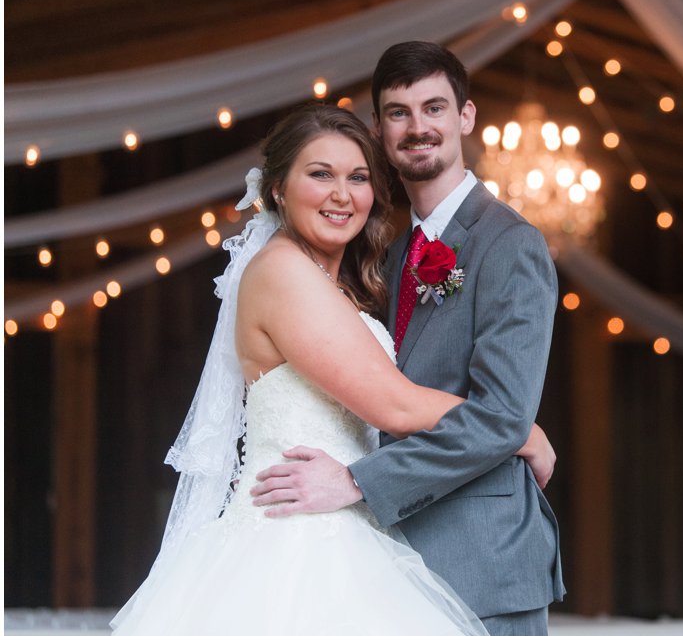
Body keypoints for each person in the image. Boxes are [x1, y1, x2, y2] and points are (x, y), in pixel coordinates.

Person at [110, 104, 555, 635]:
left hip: (349, 527)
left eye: (359, 177)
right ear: (277, 189)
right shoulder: (283, 273)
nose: (342, 194)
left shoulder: (343, 282)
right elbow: (395, 405)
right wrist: (518, 429)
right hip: (297, 545)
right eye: (320, 174)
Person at [250, 42, 565, 635]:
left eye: (434, 108)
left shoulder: (510, 244)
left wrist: (354, 481)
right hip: (386, 559)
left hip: (481, 556)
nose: (418, 127)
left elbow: (500, 416)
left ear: (465, 117)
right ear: (379, 127)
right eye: (398, 112)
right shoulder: (385, 258)